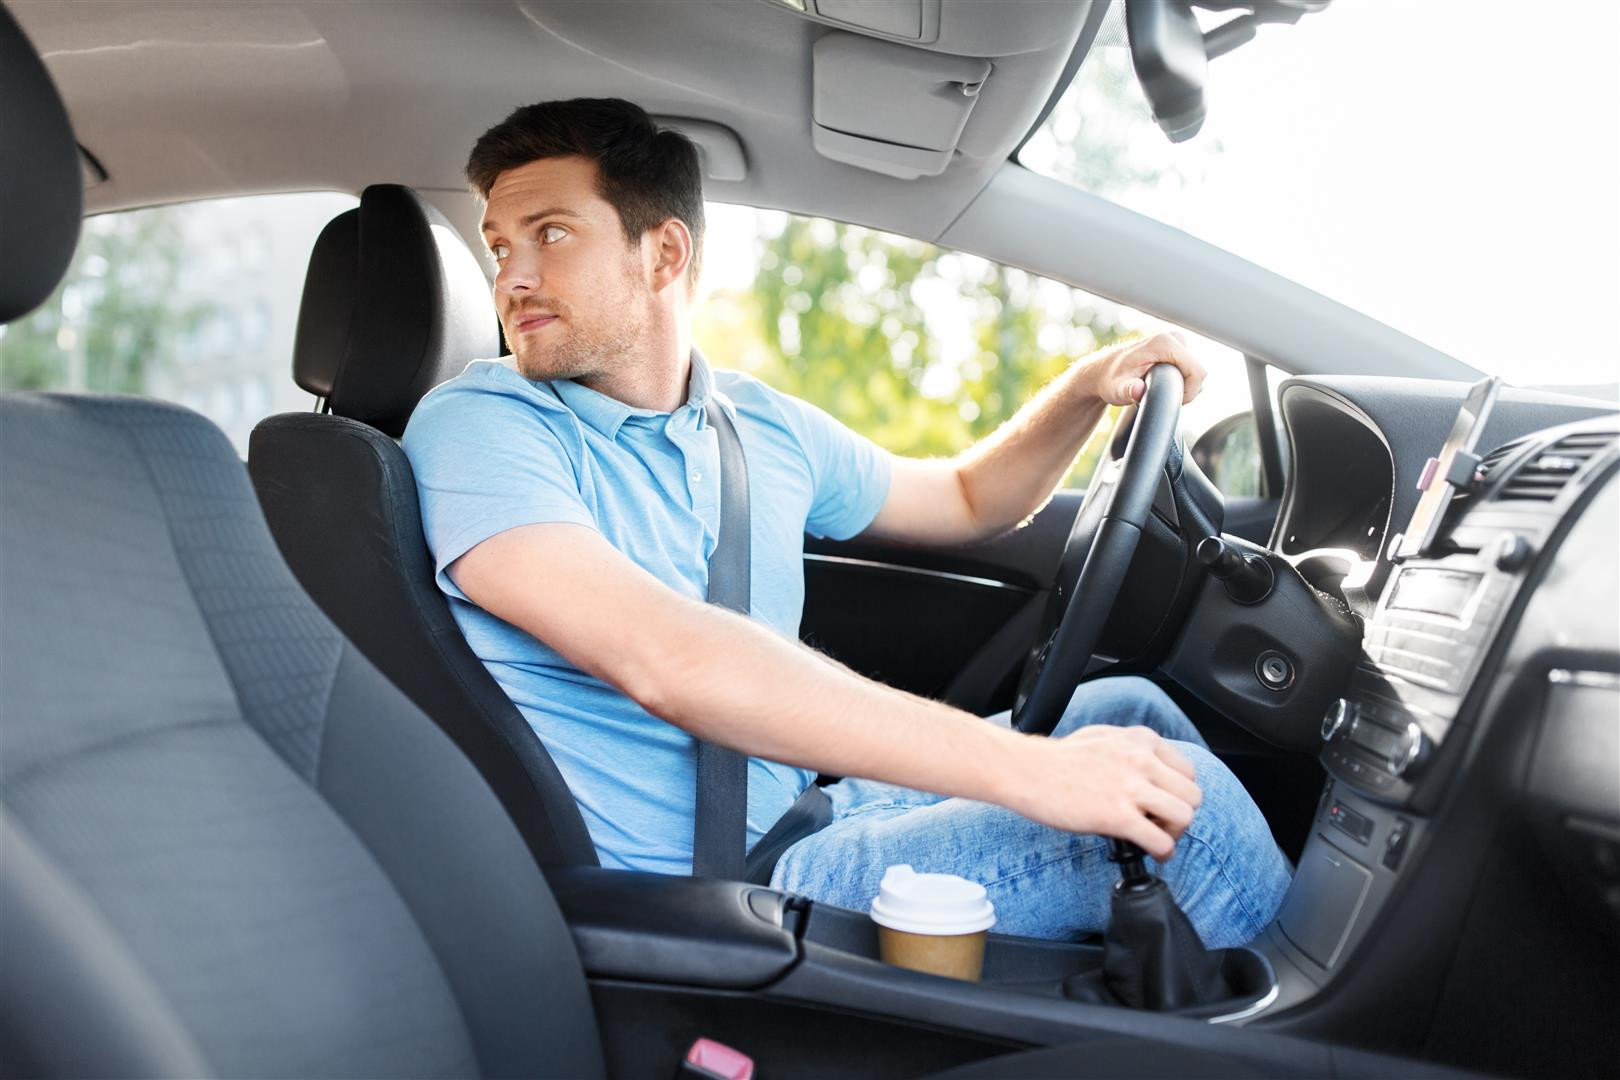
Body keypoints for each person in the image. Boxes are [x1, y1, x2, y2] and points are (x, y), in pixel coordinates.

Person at [402, 98, 1290, 946]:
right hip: (726, 890)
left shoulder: (758, 423)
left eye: (549, 234)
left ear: (662, 254)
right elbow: (667, 658)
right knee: (1191, 817)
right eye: (499, 245)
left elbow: (971, 499)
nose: (511, 276)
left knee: (1131, 711)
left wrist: (1094, 384)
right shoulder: (479, 427)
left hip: (821, 808)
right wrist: (1030, 770)